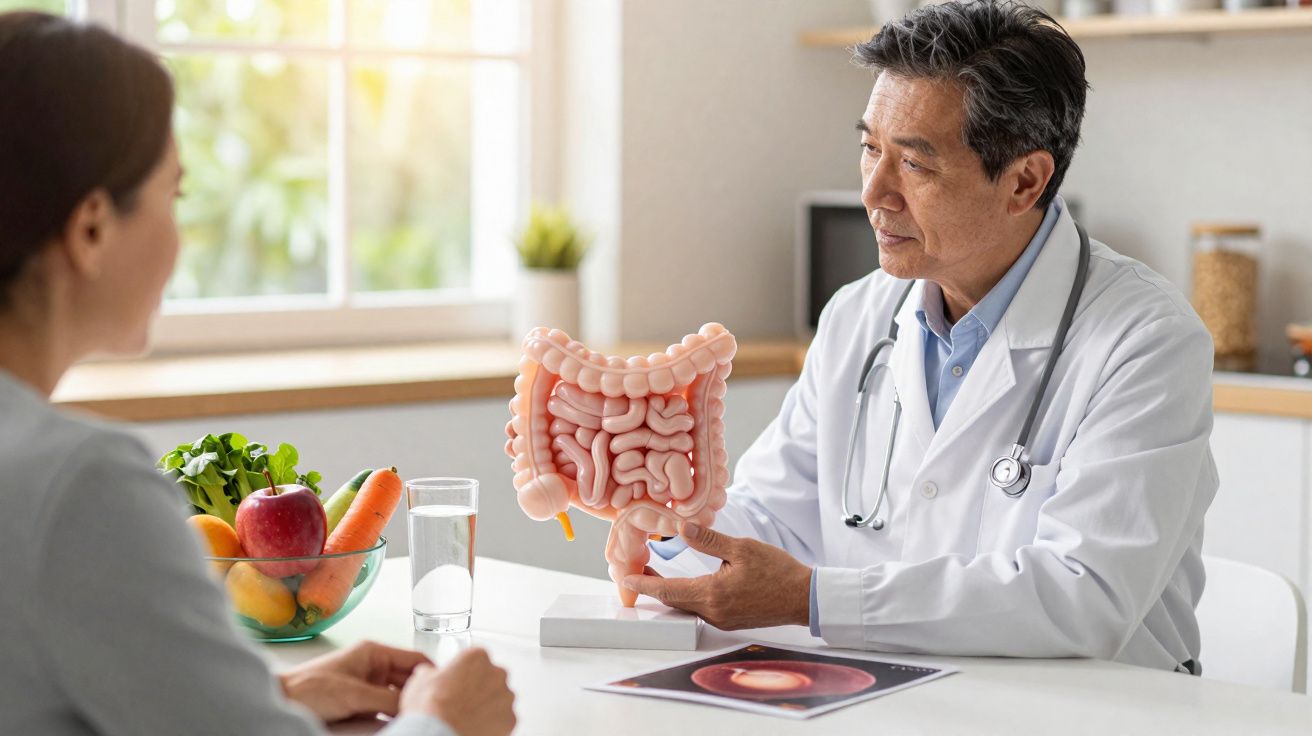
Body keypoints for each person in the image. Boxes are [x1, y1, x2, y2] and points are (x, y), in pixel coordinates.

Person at [626, 0, 1218, 675]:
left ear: (1025, 181)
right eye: (868, 148)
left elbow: (1086, 593)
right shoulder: (858, 316)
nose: (874, 192)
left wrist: (815, 598)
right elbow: (774, 512)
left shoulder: (1146, 341)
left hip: (1090, 712)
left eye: (914, 165)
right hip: (891, 698)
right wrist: (670, 538)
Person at [0, 12, 515, 735]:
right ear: (90, 229)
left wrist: (275, 700)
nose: (180, 238)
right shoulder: (81, 486)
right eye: (172, 197)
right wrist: (443, 721)